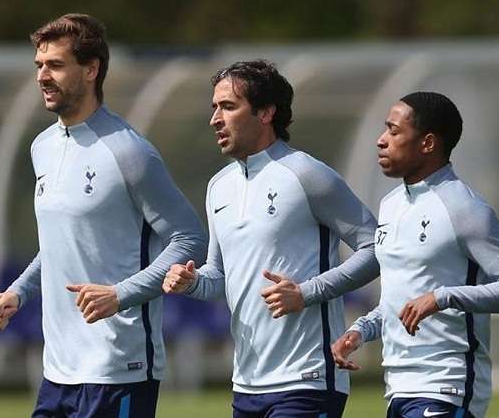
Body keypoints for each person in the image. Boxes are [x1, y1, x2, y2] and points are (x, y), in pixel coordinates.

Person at [0, 13, 206, 417]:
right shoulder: (42, 148)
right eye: (39, 65)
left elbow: (189, 239)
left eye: (55, 65)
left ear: (91, 69)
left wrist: (119, 295)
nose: (42, 76)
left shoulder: (130, 152)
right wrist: (17, 291)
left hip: (119, 368)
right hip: (58, 371)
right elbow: (58, 245)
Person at [162, 60, 379, 418]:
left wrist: (306, 293)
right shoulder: (219, 187)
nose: (215, 118)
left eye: (228, 107)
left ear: (265, 113)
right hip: (246, 383)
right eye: (214, 107)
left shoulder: (308, 174)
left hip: (307, 379)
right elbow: (218, 279)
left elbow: (374, 248)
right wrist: (191, 282)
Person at [330, 92, 499, 418]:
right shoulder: (391, 204)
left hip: (447, 384)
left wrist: (442, 298)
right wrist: (360, 331)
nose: (381, 141)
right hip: (398, 386)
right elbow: (399, 301)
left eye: (394, 131)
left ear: (427, 143)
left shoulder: (465, 207)